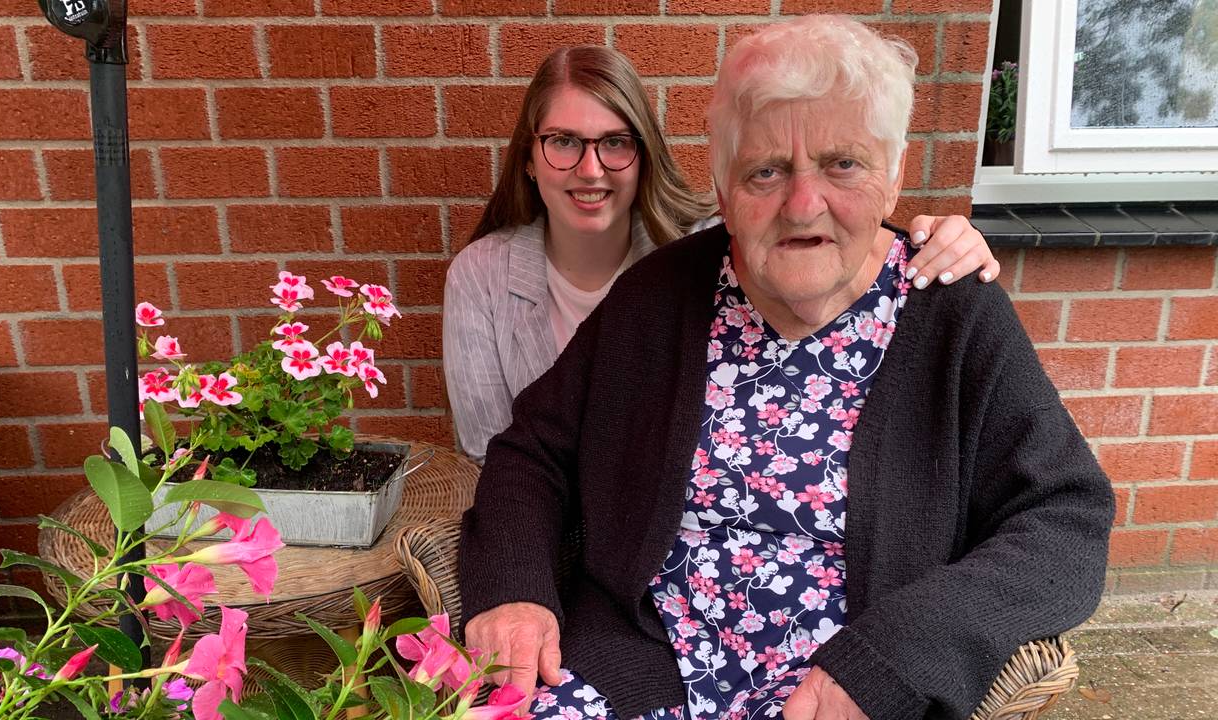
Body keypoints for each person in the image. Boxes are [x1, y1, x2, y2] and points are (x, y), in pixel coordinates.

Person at [458, 17, 1114, 720]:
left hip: (849, 686)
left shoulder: (952, 312)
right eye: (766, 171)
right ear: (722, 186)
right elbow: (532, 451)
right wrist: (514, 586)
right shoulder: (661, 294)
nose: (804, 204)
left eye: (842, 164)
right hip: (640, 660)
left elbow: (1064, 516)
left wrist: (897, 655)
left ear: (893, 176)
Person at [442, 44, 1002, 464]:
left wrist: (936, 241)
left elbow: (822, 244)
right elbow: (489, 454)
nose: (591, 170)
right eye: (563, 142)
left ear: (644, 155)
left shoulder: (708, 251)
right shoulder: (483, 277)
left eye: (615, 142)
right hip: (546, 532)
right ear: (529, 158)